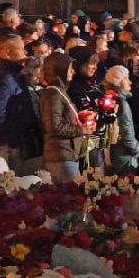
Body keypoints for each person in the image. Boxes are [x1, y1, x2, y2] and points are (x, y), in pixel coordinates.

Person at [0, 33, 40, 170]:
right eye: (21, 49)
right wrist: (9, 139)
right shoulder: (4, 78)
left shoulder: (15, 74)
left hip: (17, 140)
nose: (25, 52)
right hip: (7, 145)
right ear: (7, 52)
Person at [39, 53, 93, 182]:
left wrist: (77, 117)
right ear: (60, 70)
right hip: (61, 156)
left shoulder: (59, 92)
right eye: (69, 69)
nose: (73, 72)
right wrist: (82, 130)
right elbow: (55, 126)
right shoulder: (53, 94)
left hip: (68, 154)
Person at [101, 65, 139, 175]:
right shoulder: (121, 103)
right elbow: (126, 130)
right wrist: (136, 149)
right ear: (118, 82)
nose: (130, 82)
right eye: (126, 78)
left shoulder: (107, 98)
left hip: (110, 153)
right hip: (124, 155)